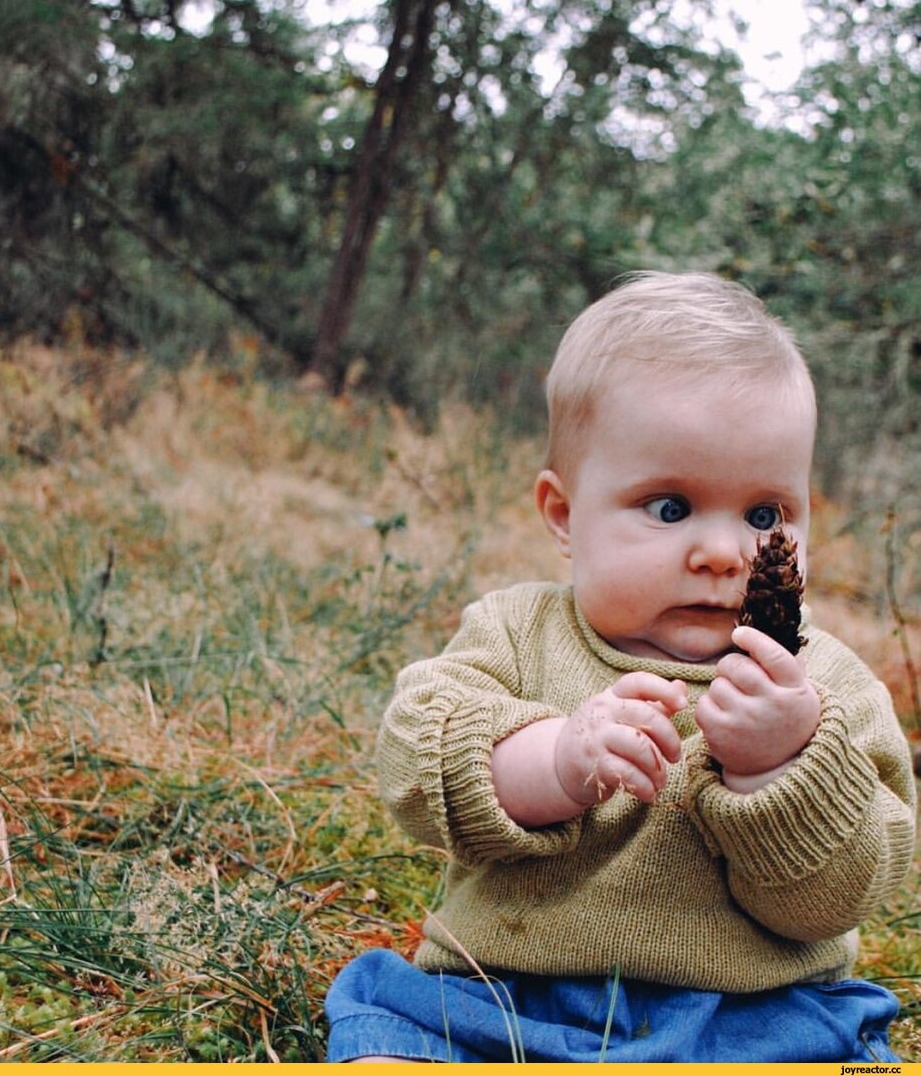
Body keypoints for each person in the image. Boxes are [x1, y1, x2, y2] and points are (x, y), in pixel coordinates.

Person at [324, 272, 917, 1063]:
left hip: (751, 1017)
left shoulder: (824, 687)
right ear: (564, 516)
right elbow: (413, 762)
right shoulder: (518, 631)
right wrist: (553, 760)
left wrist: (783, 769)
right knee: (393, 1027)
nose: (722, 552)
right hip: (505, 989)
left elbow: (844, 895)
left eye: (764, 514)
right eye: (670, 508)